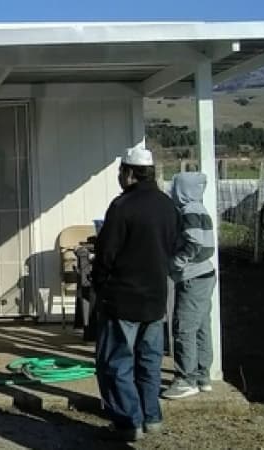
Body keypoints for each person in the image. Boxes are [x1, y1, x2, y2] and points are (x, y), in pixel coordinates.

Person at [91, 144, 179, 442]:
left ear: (129, 173)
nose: (119, 177)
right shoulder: (167, 205)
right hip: (155, 298)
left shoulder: (122, 207)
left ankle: (128, 422)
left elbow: (106, 253)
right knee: (149, 362)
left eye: (121, 172)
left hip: (122, 298)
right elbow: (173, 247)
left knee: (116, 362)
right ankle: (151, 417)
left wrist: (99, 285)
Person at [161, 172, 217, 399]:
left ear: (183, 189)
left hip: (193, 277)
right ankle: (202, 376)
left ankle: (186, 380)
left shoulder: (189, 211)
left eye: (175, 187)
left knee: (184, 328)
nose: (171, 191)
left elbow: (194, 241)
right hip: (204, 276)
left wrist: (176, 262)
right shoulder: (199, 208)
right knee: (201, 327)